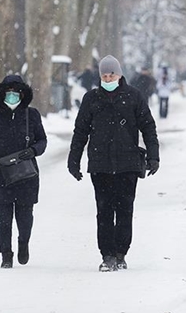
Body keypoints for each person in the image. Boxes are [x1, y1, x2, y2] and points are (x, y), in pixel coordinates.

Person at [68, 55, 160, 272]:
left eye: (112, 74)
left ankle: (121, 253)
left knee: (125, 210)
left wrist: (153, 156)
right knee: (104, 211)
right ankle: (107, 254)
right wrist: (74, 160)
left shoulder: (133, 96)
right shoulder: (91, 99)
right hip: (100, 165)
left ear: (120, 75)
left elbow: (148, 127)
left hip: (128, 164)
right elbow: (80, 131)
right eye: (104, 74)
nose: (108, 77)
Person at [0, 74, 47, 268]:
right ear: (2, 93)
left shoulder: (32, 115)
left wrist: (32, 151)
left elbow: (43, 141)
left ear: (23, 94)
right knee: (3, 217)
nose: (12, 96)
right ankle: (6, 254)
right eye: (8, 92)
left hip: (26, 172)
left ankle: (23, 242)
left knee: (25, 215)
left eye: (16, 92)